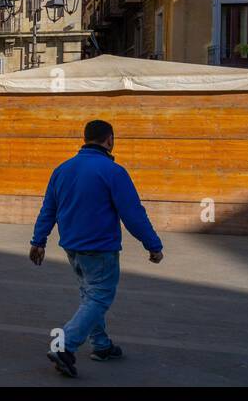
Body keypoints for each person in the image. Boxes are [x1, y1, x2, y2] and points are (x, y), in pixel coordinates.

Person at [29, 119, 164, 378]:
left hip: (72, 248)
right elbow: (133, 214)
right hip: (100, 249)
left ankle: (101, 346)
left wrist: (38, 241)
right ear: (109, 139)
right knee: (99, 297)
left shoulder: (62, 169)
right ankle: (65, 346)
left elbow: (49, 210)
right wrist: (153, 245)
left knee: (89, 296)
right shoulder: (113, 172)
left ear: (85, 138)